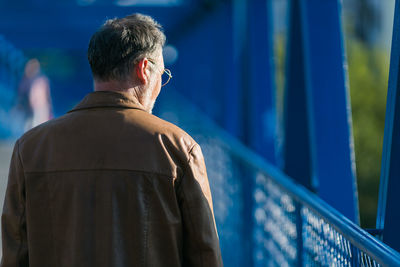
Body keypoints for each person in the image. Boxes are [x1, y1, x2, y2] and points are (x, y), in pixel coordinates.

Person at [1, 13, 223, 267]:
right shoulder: (178, 147)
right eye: (162, 74)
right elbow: (205, 256)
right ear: (144, 69)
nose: (161, 84)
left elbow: (14, 254)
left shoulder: (30, 148)